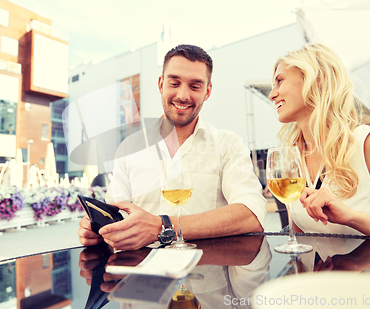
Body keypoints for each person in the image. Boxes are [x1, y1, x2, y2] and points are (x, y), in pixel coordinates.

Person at [78, 44, 266, 250]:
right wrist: (99, 230)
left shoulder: (227, 144)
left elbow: (252, 214)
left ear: (207, 91)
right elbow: (114, 216)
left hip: (206, 274)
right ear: (161, 84)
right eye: (174, 83)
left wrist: (163, 227)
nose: (183, 95)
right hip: (142, 275)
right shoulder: (129, 148)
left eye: (195, 86)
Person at [268, 43, 370, 241]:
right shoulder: (294, 156)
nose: (272, 94)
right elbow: (302, 240)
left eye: (280, 81)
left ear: (316, 80)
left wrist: (355, 219)